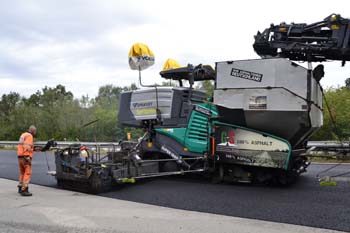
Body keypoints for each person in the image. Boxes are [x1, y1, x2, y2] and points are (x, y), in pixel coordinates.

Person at [17, 125, 37, 196]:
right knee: (27, 173)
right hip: (25, 158)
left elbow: (23, 146)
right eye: (35, 132)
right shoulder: (29, 136)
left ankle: (20, 187)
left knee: (22, 173)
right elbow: (27, 147)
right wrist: (28, 158)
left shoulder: (23, 134)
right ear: (33, 131)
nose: (35, 133)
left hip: (20, 157)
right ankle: (24, 189)